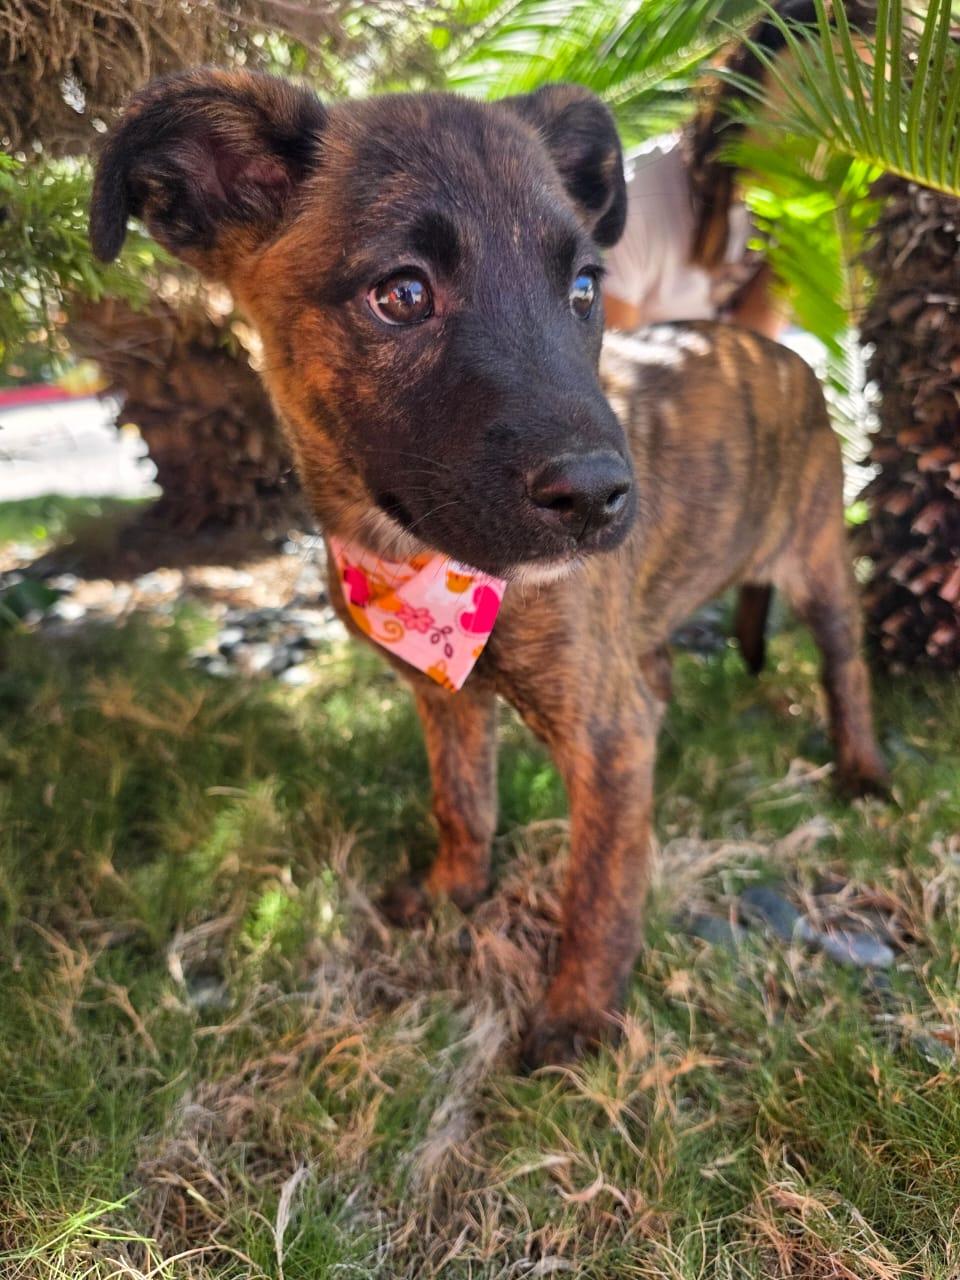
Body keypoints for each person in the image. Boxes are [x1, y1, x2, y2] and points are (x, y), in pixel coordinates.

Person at [603, 1, 827, 339]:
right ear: (757, 75)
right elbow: (608, 378)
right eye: (813, 84)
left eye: (865, 104)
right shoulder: (636, 204)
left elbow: (755, 361)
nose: (835, 125)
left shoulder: (792, 203)